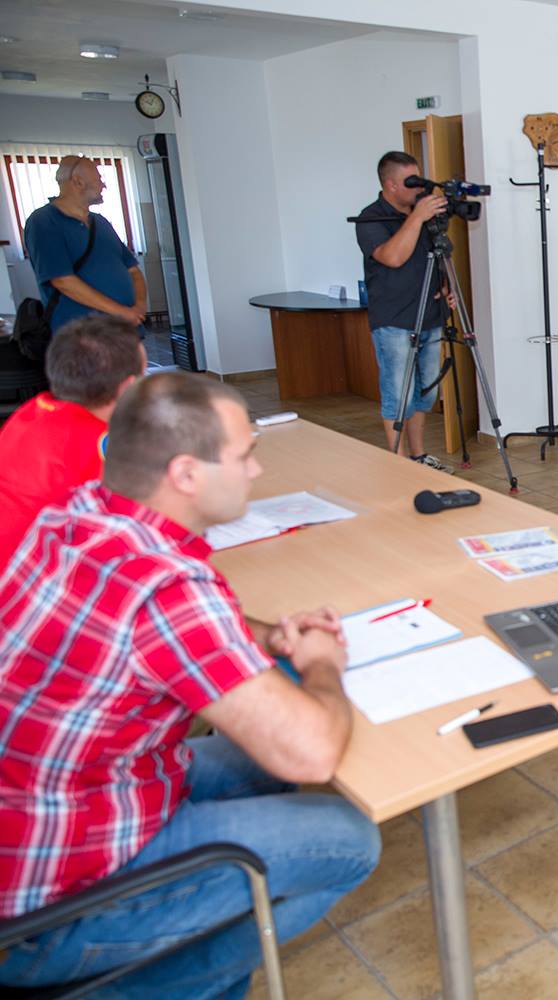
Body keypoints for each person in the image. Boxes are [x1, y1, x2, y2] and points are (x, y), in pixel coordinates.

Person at [0, 372, 380, 998]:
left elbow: (168, 633)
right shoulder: (167, 586)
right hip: (46, 910)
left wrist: (270, 637)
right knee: (349, 840)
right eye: (245, 454)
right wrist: (321, 665)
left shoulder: (76, 514)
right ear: (185, 474)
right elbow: (311, 752)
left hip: (66, 806)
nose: (257, 470)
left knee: (264, 765)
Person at [0, 314, 145, 557]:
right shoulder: (97, 442)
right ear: (128, 387)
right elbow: (134, 521)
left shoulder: (33, 411)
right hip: (31, 567)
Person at [355, 150, 454, 471]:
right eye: (411, 182)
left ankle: (418, 455)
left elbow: (437, 257)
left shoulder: (423, 215)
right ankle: (399, 466)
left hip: (430, 315)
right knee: (399, 394)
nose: (419, 187)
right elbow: (393, 257)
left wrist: (446, 287)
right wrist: (416, 218)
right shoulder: (371, 218)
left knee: (426, 392)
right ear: (391, 185)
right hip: (394, 321)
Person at [22, 155, 147, 333]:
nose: (104, 185)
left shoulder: (101, 222)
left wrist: (139, 306)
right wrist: (121, 312)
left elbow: (133, 270)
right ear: (78, 182)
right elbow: (63, 281)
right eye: (99, 179)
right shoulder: (43, 222)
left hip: (125, 329)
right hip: (84, 335)